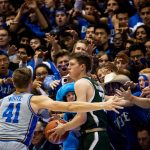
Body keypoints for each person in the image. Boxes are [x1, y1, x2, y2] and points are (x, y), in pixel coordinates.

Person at [0, 67, 122, 150]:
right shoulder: (35, 100)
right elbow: (70, 106)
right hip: (17, 144)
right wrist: (102, 105)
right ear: (31, 81)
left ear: (14, 83)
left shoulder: (2, 101)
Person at [48, 53, 118, 150]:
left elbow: (82, 117)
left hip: (93, 135)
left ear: (82, 67)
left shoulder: (80, 83)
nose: (68, 67)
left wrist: (63, 128)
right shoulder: (95, 83)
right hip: (98, 134)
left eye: (71, 64)